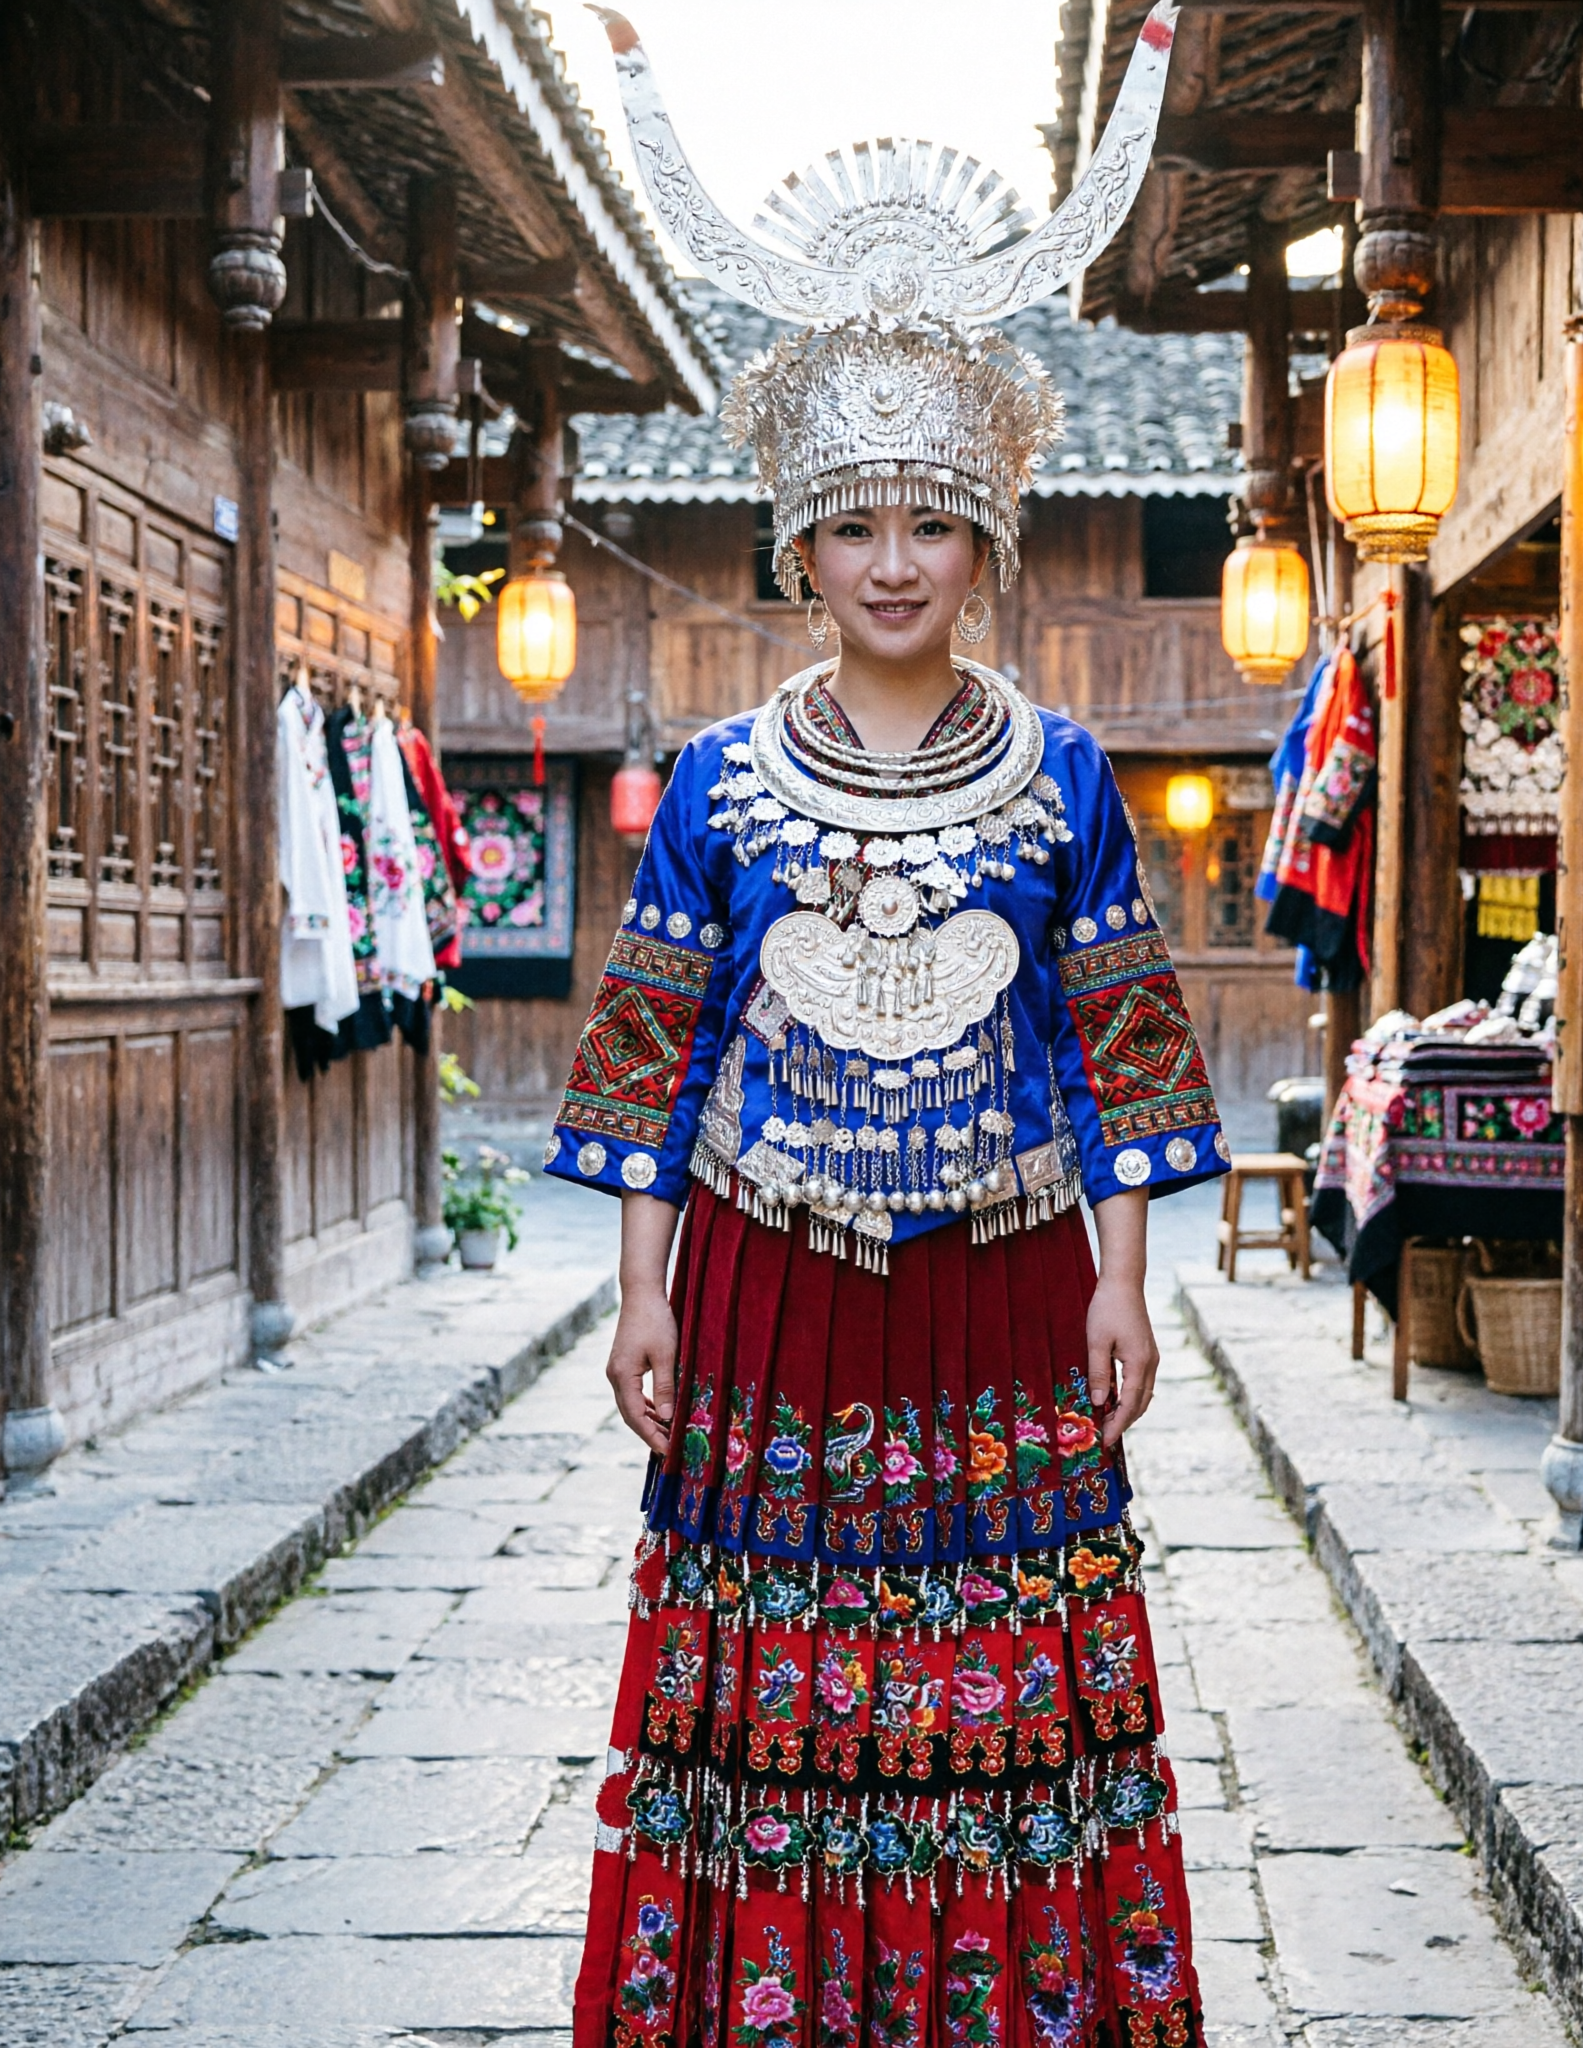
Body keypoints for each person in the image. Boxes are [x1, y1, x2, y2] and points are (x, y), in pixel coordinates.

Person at [549, 10, 1221, 2043]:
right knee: (773, 1674)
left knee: (1008, 1673)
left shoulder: (1071, 769)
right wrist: (641, 1293)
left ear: (987, 537)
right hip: (765, 1284)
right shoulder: (730, 783)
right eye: (855, 526)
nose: (894, 563)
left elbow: (1116, 1043)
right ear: (797, 545)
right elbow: (658, 1049)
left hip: (1015, 1283)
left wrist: (1128, 1284)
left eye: (931, 523)